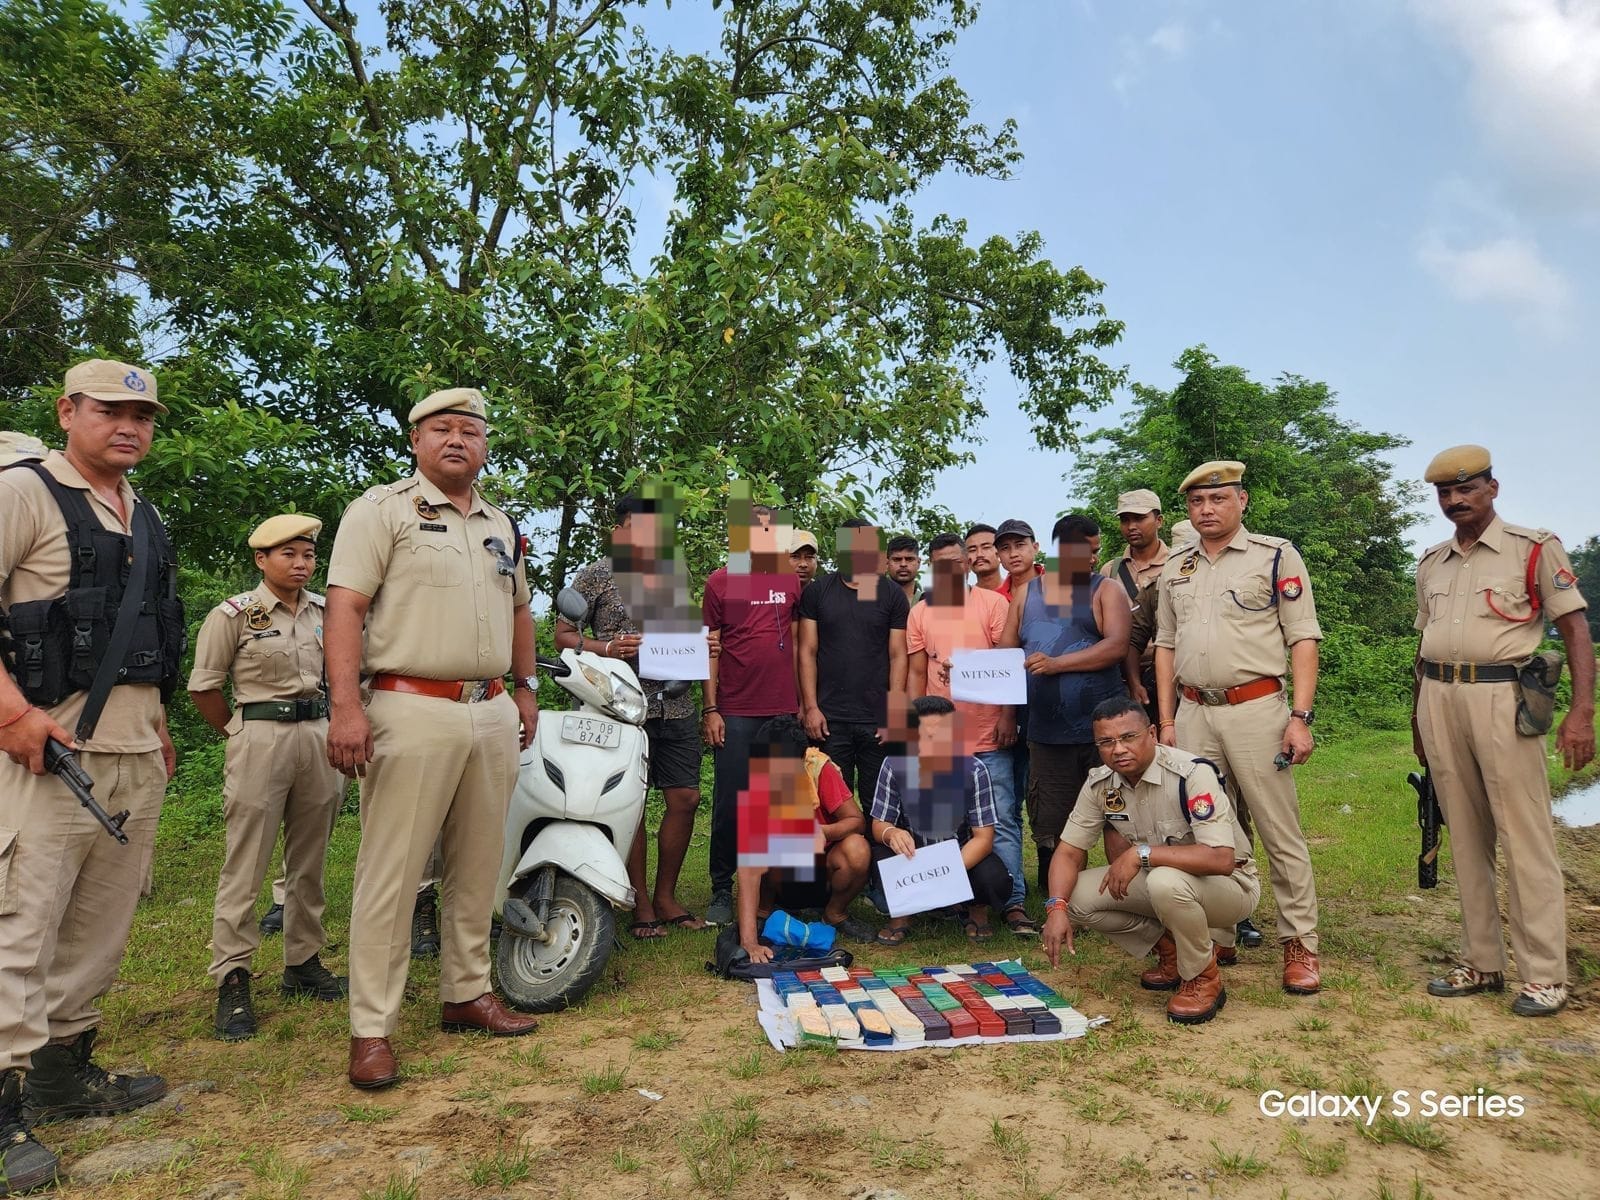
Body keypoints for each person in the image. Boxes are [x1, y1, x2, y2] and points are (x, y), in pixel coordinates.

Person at [325, 386, 540, 1091]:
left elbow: (521, 614)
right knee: (393, 871)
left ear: (485, 445)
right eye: (442, 429)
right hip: (409, 706)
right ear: (416, 441)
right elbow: (346, 609)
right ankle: (372, 1028)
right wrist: (345, 707)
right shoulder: (381, 512)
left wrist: (527, 690)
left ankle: (466, 992)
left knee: (480, 863)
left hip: (489, 710)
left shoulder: (500, 524)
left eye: (471, 431)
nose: (458, 440)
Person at [0, 361, 180, 1192]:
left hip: (134, 750)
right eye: (110, 410)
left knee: (99, 924)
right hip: (46, 749)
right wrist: (10, 716)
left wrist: (163, 729)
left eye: (142, 414)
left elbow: (148, 632)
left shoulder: (143, 514)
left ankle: (68, 1070)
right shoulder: (23, 493)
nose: (129, 425)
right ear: (67, 410)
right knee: (21, 926)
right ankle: (4, 1106)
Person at [1413, 445, 1594, 1017]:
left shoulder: (1534, 548)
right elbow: (1423, 646)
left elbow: (1574, 629)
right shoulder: (1432, 562)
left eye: (1466, 489)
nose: (1455, 500)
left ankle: (1544, 973)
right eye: (1445, 492)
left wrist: (1581, 711)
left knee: (1525, 838)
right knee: (1465, 834)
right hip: (1440, 697)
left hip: (1504, 698)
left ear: (1493, 488)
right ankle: (1481, 960)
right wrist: (1418, 718)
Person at [1153, 460, 1323, 994]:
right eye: (1197, 502)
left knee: (1278, 830)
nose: (1207, 509)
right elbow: (1165, 645)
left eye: (1218, 499)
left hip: (1257, 710)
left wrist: (1299, 716)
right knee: (1203, 830)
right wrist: (1165, 721)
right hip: (1191, 713)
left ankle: (1300, 944)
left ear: (1241, 501)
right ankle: (1216, 934)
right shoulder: (1176, 566)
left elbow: (1303, 638)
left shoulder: (1275, 556)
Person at [188, 515, 347, 1042]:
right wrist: (236, 732)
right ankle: (233, 978)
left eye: (308, 556)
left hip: (319, 737)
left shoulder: (329, 612)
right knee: (246, 861)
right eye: (289, 556)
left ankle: (303, 962)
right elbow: (204, 687)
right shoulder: (234, 614)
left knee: (310, 858)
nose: (301, 564)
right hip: (260, 737)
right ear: (262, 559)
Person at [1041, 698, 1259, 1024]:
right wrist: (1055, 906)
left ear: (1152, 733)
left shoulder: (1191, 775)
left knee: (1164, 881)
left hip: (1231, 886)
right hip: (1168, 885)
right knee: (1075, 897)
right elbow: (1069, 851)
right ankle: (1170, 951)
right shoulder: (1101, 783)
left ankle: (1202, 977)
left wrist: (1142, 854)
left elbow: (1221, 859)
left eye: (1128, 737)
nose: (1118, 749)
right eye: (1106, 742)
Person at [561, 493, 707, 936]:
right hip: (621, 707)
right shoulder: (596, 575)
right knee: (633, 803)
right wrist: (607, 648)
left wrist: (704, 648)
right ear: (620, 531)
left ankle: (667, 894)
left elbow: (687, 634)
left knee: (685, 798)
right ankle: (640, 900)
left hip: (676, 704)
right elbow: (563, 635)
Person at [905, 534, 1033, 934]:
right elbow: (914, 674)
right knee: (940, 821)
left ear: (966, 564)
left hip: (989, 733)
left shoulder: (994, 604)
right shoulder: (920, 612)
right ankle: (952, 900)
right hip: (940, 741)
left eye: (954, 561)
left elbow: (1008, 665)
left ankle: (1013, 904)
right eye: (938, 563)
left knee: (1003, 820)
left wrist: (1008, 716)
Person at [1000, 515, 1130, 892]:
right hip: (1045, 730)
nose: (1084, 557)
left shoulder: (1106, 590)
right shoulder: (1027, 593)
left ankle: (1127, 895)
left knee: (1116, 816)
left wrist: (1057, 664)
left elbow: (1117, 646)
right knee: (1053, 822)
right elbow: (1007, 655)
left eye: (1091, 550)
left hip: (1103, 732)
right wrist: (968, 674)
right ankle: (1062, 900)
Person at [703, 499, 803, 927]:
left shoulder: (790, 582)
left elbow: (801, 646)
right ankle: (722, 889)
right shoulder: (720, 583)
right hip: (737, 709)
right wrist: (711, 708)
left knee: (782, 804)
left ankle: (777, 891)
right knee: (731, 804)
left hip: (784, 709)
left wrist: (803, 704)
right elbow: (709, 650)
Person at [869, 696, 1013, 945]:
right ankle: (903, 914)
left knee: (993, 877)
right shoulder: (893, 765)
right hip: (911, 858)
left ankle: (975, 908)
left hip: (960, 858)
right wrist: (892, 834)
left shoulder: (974, 770)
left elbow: (983, 839)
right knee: (878, 854)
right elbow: (878, 824)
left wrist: (943, 873)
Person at [734, 716, 875, 961]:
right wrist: (749, 943)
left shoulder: (820, 768)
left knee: (858, 849)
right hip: (780, 871)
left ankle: (835, 914)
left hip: (824, 867)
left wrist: (823, 832)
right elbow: (749, 865)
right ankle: (763, 912)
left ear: (801, 759)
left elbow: (856, 820)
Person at [798, 520, 910, 803]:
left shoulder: (891, 594)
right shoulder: (818, 591)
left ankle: (880, 847)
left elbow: (898, 655)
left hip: (877, 720)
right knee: (834, 803)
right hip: (829, 719)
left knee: (881, 802)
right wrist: (810, 707)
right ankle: (844, 849)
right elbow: (807, 651)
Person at [1103, 489, 1169, 722]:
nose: (1131, 526)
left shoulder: (1177, 564)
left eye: (1140, 518)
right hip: (1122, 677)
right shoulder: (1110, 570)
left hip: (1170, 674)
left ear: (1159, 520)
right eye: (1125, 520)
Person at [886, 535, 923, 606]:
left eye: (909, 559)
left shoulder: (929, 603)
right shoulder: (872, 601)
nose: (903, 564)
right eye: (897, 559)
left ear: (918, 563)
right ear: (887, 563)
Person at [965, 524, 1002, 593]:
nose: (979, 554)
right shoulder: (965, 598)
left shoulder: (1019, 592)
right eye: (972, 550)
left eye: (986, 547)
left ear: (999, 552)